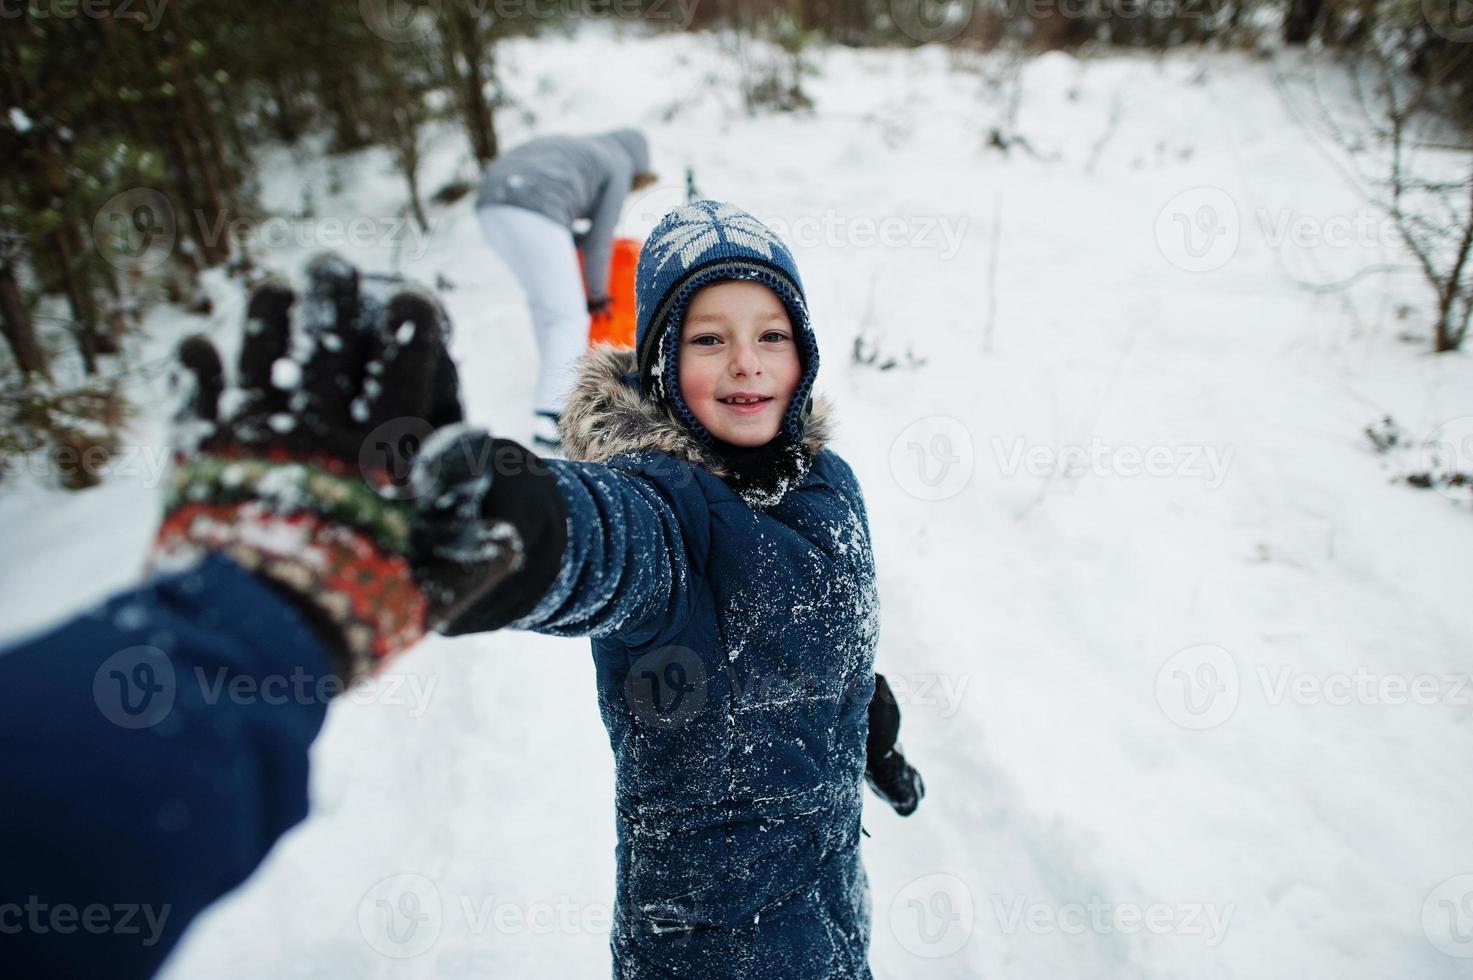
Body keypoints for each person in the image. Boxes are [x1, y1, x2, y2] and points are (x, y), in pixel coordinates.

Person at [442, 200, 923, 977]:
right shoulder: (664, 508)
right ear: (662, 361)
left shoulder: (829, 484)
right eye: (709, 339)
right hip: (706, 947)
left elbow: (806, 631)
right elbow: (597, 540)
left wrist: (865, 715)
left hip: (830, 914)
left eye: (772, 333)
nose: (747, 362)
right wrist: (500, 524)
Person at [476, 128, 657, 452]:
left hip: (491, 205)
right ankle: (552, 413)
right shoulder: (618, 163)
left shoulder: (584, 148)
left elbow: (571, 238)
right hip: (532, 207)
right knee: (568, 315)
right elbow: (600, 239)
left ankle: (548, 394)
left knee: (545, 307)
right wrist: (598, 294)